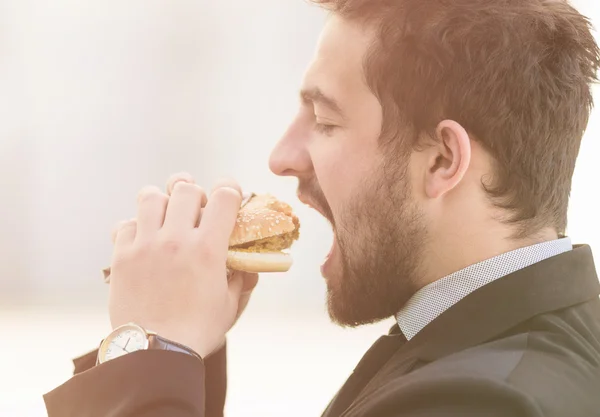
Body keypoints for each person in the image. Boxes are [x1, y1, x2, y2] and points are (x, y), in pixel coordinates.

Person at [44, 0, 600, 416]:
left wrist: (153, 348)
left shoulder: (479, 402)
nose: (282, 158)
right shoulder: (528, 345)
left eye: (326, 121)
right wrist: (186, 359)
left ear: (441, 161)